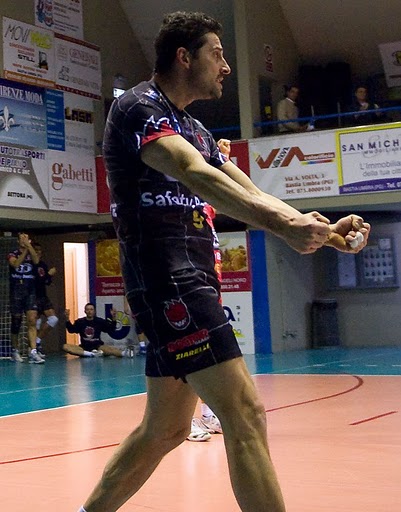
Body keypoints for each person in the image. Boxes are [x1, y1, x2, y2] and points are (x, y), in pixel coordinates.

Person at [77, 12, 370, 512]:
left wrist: (322, 232)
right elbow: (193, 173)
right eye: (217, 54)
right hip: (170, 283)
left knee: (165, 429)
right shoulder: (138, 109)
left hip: (192, 283)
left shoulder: (196, 129)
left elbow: (250, 193)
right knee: (245, 413)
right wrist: (286, 226)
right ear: (183, 57)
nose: (227, 67)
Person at [8, 232, 44, 364]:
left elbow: (36, 261)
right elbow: (16, 264)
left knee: (32, 320)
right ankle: (15, 350)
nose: (24, 240)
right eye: (22, 239)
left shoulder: (32, 251)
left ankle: (33, 351)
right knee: (16, 322)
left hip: (30, 291)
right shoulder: (12, 254)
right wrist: (24, 252)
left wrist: (29, 247)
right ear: (18, 241)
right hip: (16, 291)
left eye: (26, 238)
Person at [63, 303, 134, 358]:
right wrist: (67, 319)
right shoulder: (80, 322)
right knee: (65, 346)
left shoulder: (99, 321)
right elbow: (71, 330)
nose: (89, 311)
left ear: (94, 311)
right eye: (87, 309)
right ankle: (91, 354)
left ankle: (124, 353)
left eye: (91, 309)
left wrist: (114, 318)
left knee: (110, 349)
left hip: (98, 346)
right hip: (84, 347)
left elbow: (110, 329)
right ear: (85, 311)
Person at [33, 242, 58, 358]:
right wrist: (48, 274)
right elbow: (37, 281)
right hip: (33, 296)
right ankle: (34, 348)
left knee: (53, 319)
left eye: (39, 250)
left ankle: (37, 341)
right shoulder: (30, 265)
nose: (38, 252)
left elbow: (46, 282)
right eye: (35, 250)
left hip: (43, 296)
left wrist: (49, 276)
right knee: (36, 323)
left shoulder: (42, 264)